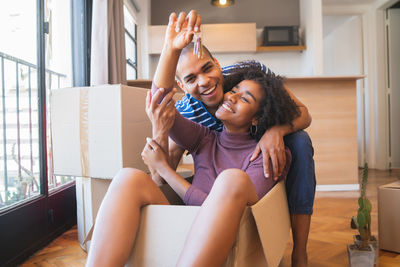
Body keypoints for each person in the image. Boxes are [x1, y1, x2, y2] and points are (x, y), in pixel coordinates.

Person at [85, 11, 300, 267]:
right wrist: (171, 48)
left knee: (232, 180)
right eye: (234, 90)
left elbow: (224, 209)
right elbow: (159, 99)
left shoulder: (267, 156)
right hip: (184, 226)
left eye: (244, 99)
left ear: (257, 118)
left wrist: (165, 168)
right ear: (183, 85)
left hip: (227, 237)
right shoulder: (205, 138)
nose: (230, 97)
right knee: (128, 177)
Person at [150, 10, 316, 267]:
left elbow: (303, 114)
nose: (205, 82)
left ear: (217, 63)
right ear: (182, 87)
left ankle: (300, 252)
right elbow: (162, 171)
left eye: (207, 69)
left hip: (254, 165)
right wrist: (159, 130)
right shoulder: (189, 113)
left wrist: (276, 131)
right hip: (215, 169)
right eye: (191, 79)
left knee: (300, 141)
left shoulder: (246, 79)